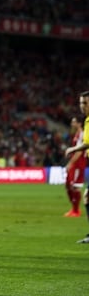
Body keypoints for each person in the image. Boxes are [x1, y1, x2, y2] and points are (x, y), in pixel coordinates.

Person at [65, 91, 89, 243]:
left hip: (80, 163)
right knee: (87, 197)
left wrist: (73, 150)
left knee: (84, 194)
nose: (82, 106)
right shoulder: (87, 121)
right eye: (81, 103)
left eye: (85, 103)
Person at [64, 117, 86, 217]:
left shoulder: (82, 134)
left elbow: (79, 151)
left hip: (78, 163)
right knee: (68, 185)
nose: (72, 124)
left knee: (75, 186)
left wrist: (71, 163)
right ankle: (74, 209)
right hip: (75, 163)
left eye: (74, 122)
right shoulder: (77, 134)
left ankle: (76, 211)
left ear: (79, 123)